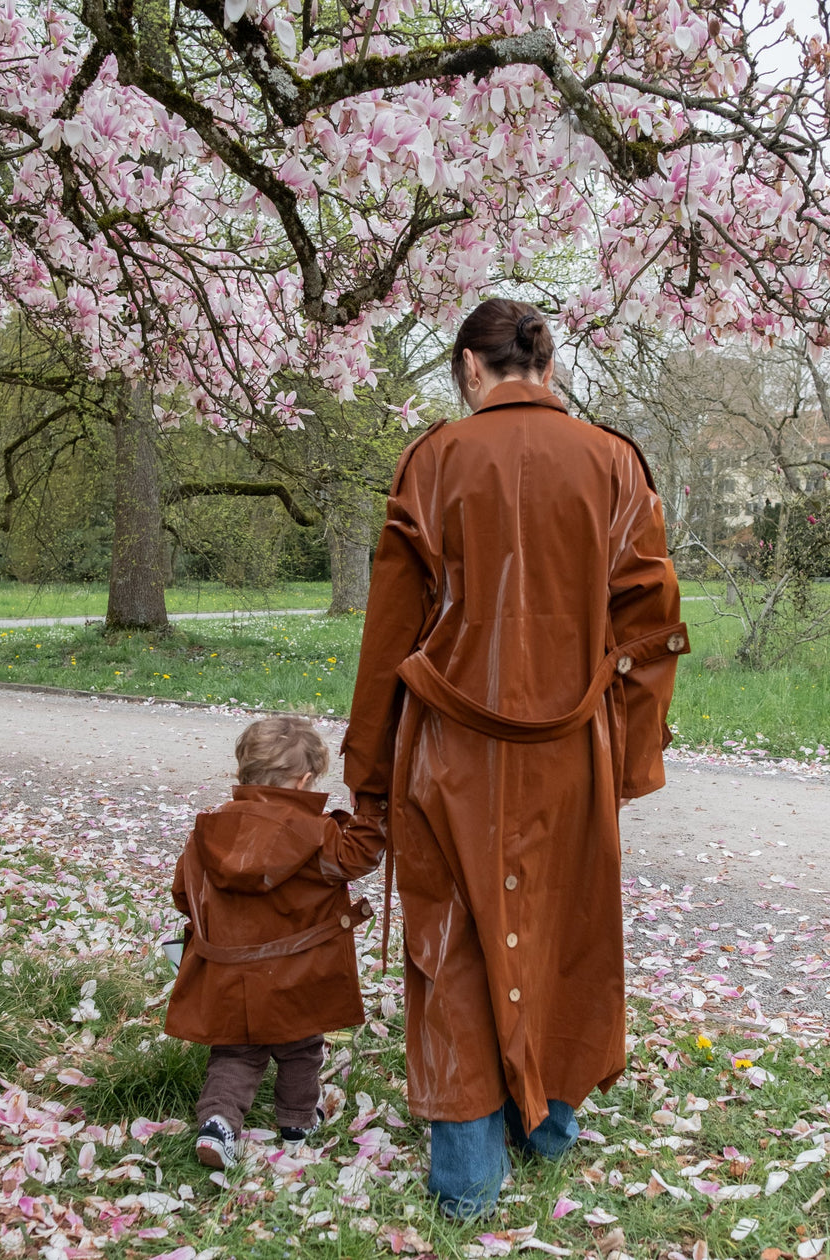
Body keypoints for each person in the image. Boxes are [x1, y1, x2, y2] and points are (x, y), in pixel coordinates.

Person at [341, 298, 688, 1218]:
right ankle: (549, 1129)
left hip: (449, 753)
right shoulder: (615, 463)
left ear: (468, 366)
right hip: (574, 748)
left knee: (452, 943)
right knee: (568, 924)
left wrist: (369, 775)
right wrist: (626, 758)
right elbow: (651, 633)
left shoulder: (433, 462)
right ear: (546, 363)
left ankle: (467, 1184)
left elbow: (390, 637)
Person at [164, 714, 387, 1169]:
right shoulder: (317, 835)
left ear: (244, 772)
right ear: (305, 780)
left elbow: (183, 894)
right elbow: (359, 858)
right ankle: (298, 1121)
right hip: (298, 975)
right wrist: (373, 807)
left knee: (235, 1052)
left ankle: (218, 1124)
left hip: (229, 975)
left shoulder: (208, 830)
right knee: (301, 1048)